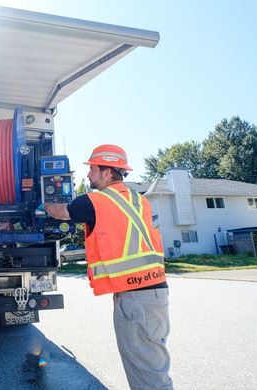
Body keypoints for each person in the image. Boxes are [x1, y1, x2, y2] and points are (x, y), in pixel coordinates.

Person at [44, 144, 173, 390]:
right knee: (154, 366)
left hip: (136, 298)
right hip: (155, 293)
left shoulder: (95, 201)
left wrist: (44, 204)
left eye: (92, 169)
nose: (88, 174)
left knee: (146, 373)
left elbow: (60, 212)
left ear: (106, 171)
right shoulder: (139, 200)